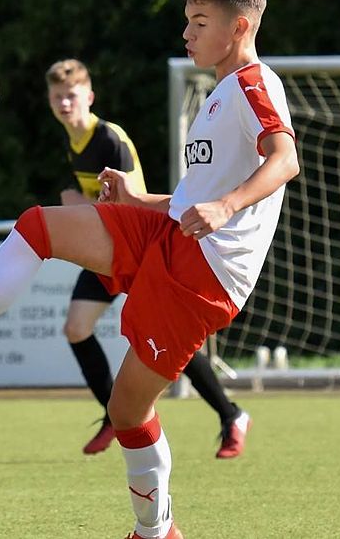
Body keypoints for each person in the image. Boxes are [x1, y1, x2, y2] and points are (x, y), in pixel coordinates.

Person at [0, 0, 297, 537]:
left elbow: (285, 158)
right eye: (187, 19)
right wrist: (137, 200)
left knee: (127, 412)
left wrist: (227, 206)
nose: (186, 32)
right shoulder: (220, 93)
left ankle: (156, 532)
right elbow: (193, 203)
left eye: (199, 22)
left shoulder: (255, 83)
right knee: (39, 226)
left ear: (240, 26)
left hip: (206, 274)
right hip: (172, 234)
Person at [47, 58, 250, 458]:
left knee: (166, 339)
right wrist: (79, 203)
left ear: (89, 96)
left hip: (137, 248)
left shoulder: (108, 138)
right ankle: (112, 414)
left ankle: (231, 415)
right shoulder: (73, 144)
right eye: (57, 97)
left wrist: (79, 206)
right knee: (76, 328)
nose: (64, 103)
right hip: (108, 247)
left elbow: (126, 204)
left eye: (71, 95)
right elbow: (95, 200)